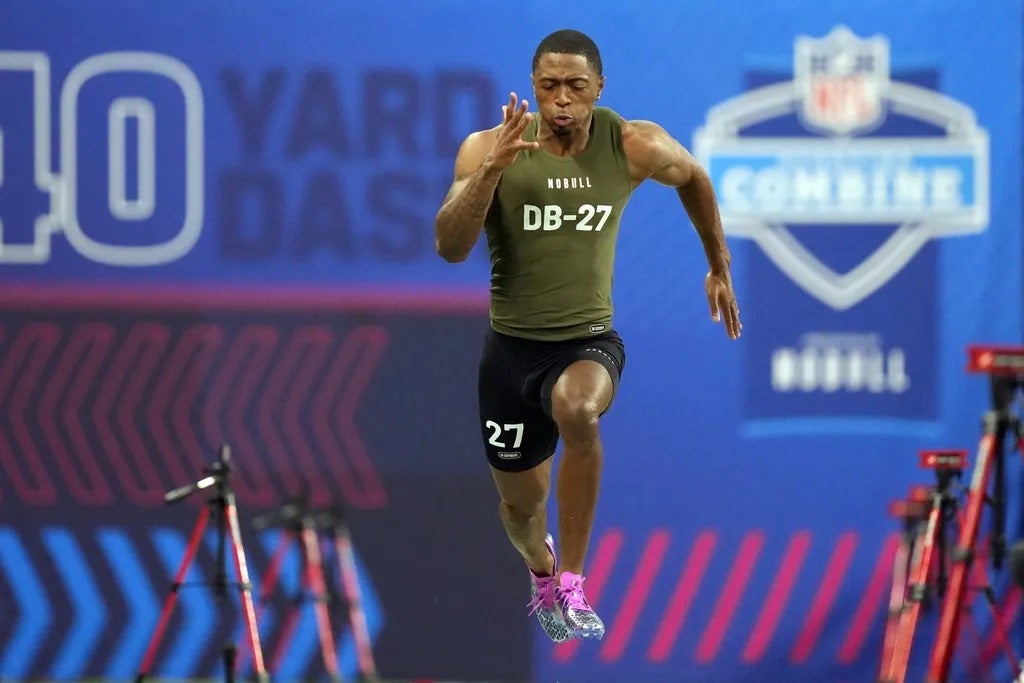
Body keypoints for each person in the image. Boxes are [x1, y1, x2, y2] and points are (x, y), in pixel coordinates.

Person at [434, 28, 741, 642]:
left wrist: (719, 266)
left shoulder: (633, 144)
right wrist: (492, 172)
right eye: (549, 86)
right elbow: (450, 246)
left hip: (586, 342)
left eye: (576, 86)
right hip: (509, 355)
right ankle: (543, 568)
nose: (562, 100)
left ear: (599, 87)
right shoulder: (488, 148)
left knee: (577, 408)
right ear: (532, 86)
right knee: (520, 513)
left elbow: (695, 178)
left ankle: (572, 581)